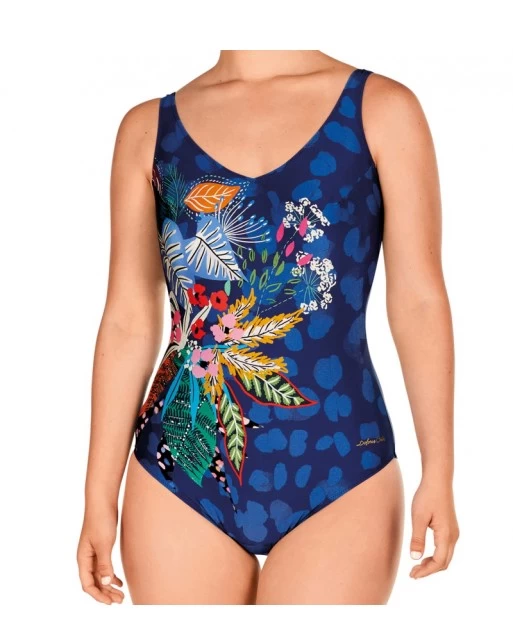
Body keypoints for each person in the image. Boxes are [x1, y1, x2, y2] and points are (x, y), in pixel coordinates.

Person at [77, 50, 459, 605]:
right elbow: (128, 319)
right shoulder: (148, 129)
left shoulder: (381, 110)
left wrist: (440, 469)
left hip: (340, 466)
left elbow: (419, 301)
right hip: (180, 468)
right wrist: (97, 495)